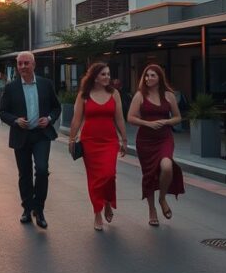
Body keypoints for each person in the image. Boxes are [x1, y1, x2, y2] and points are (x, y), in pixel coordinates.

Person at [0, 52, 61, 229]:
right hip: (21, 135)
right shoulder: (11, 88)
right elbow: (3, 112)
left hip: (41, 135)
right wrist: (16, 121)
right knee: (24, 174)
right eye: (20, 64)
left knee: (42, 170)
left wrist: (49, 118)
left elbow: (56, 107)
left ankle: (39, 209)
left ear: (34, 64)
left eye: (26, 63)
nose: (23, 66)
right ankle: (27, 208)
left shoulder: (45, 84)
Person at [68, 62, 127, 231]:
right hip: (90, 142)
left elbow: (120, 118)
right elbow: (76, 119)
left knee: (109, 175)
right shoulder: (83, 95)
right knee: (94, 180)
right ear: (94, 77)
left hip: (109, 141)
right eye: (103, 74)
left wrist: (124, 139)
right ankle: (97, 212)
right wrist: (72, 139)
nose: (107, 77)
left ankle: (108, 201)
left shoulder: (114, 93)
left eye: (108, 74)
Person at [127, 64, 185, 226]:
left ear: (159, 78)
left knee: (167, 166)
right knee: (150, 175)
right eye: (146, 75)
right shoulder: (139, 96)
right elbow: (130, 118)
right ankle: (152, 210)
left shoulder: (169, 95)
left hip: (164, 138)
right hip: (145, 141)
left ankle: (162, 198)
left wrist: (166, 121)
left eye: (152, 75)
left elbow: (178, 117)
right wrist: (147, 124)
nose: (148, 78)